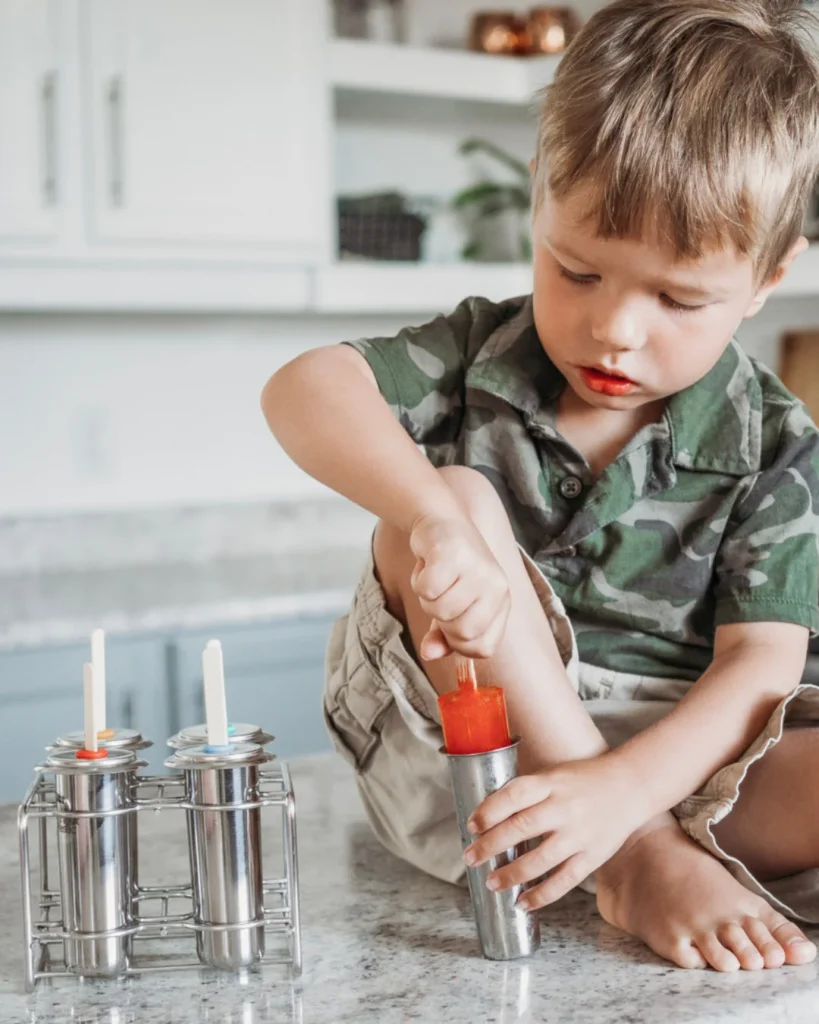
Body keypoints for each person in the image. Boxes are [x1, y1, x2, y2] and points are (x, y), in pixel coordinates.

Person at [261, 0, 819, 972]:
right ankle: (638, 862)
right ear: (539, 199)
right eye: (577, 270)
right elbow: (302, 387)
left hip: (683, 767)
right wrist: (436, 518)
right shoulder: (479, 352)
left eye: (679, 299)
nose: (616, 330)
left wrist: (620, 790)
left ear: (770, 276)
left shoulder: (779, 445)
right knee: (443, 507)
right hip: (472, 764)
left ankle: (639, 829)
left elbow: (755, 675)